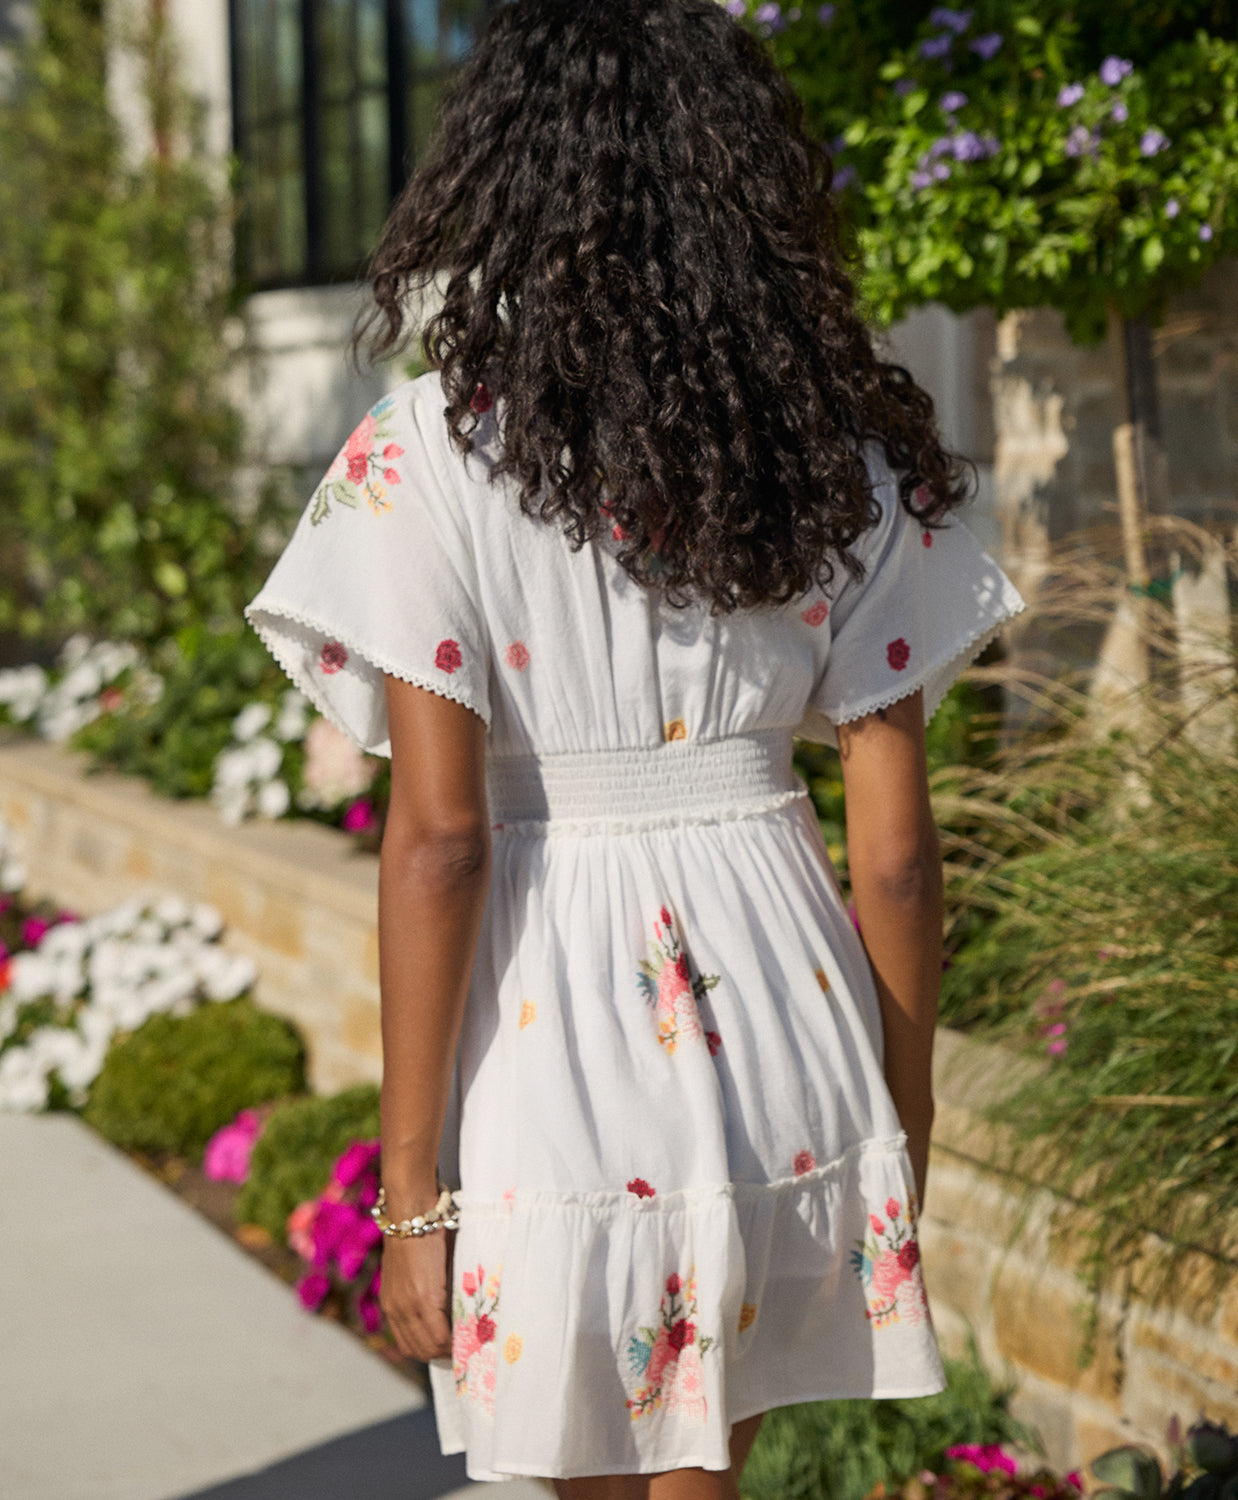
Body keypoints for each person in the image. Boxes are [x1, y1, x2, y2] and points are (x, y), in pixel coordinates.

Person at [243, 0, 1026, 1492]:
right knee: (702, 1466)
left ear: (505, 182)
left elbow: (442, 838)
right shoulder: (836, 457)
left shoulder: (427, 457)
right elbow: (901, 856)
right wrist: (900, 1110)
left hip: (556, 1031)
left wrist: (409, 1197)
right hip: (787, 1007)